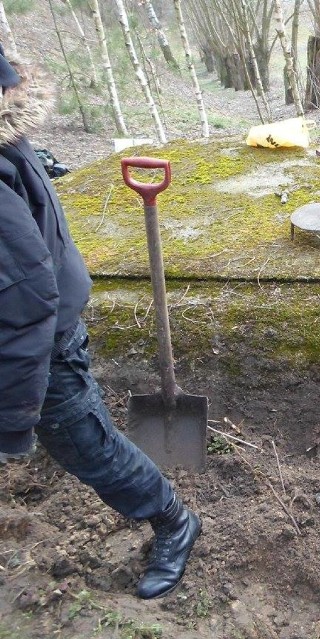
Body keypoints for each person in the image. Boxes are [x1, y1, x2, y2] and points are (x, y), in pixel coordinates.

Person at [0, 45, 200, 600]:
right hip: (42, 312)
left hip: (40, 334)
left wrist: (15, 416)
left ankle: (173, 519)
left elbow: (24, 299)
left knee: (81, 440)